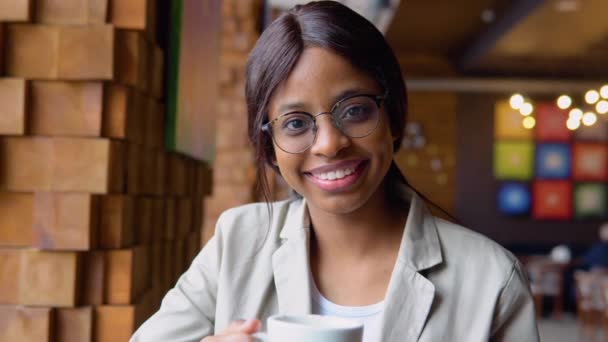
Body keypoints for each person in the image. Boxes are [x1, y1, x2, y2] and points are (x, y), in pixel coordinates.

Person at [131, 2, 539, 341]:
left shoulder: (491, 280)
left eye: (355, 111)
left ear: (394, 117)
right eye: (295, 123)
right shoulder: (237, 242)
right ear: (269, 145)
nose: (329, 143)